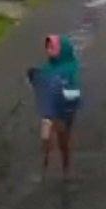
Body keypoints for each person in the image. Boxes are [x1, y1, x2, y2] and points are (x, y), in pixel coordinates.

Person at [27, 34, 81, 176]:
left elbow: (72, 91)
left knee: (63, 139)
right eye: (48, 47)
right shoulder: (47, 66)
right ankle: (45, 164)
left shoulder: (69, 68)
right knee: (46, 136)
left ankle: (65, 165)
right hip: (50, 107)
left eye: (52, 47)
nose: (49, 50)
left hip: (64, 108)